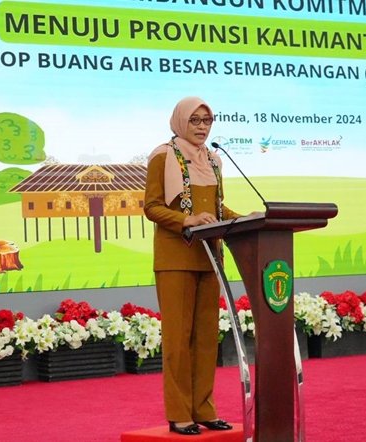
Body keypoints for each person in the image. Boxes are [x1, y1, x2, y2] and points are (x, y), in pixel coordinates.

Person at [144, 96, 239, 436]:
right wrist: (187, 219)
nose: (202, 127)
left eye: (207, 121)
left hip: (209, 258)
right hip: (175, 259)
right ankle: (180, 413)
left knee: (206, 339)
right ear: (181, 121)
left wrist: (247, 219)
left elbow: (217, 208)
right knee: (178, 340)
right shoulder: (162, 156)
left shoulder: (213, 160)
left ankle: (204, 409)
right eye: (195, 121)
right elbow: (152, 207)